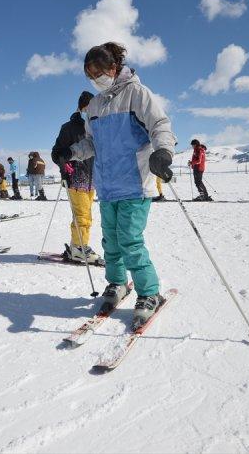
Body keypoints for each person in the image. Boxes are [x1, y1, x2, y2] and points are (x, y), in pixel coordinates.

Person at [67, 42, 176, 328]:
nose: (94, 78)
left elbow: (160, 125)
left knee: (130, 239)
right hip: (107, 186)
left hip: (134, 183)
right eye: (89, 74)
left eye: (98, 72)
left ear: (113, 68)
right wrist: (74, 152)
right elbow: (93, 142)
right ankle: (117, 283)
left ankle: (149, 292)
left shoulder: (137, 94)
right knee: (111, 241)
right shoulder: (95, 105)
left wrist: (163, 152)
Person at [52, 90, 100, 263]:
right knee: (81, 215)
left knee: (87, 215)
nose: (91, 111)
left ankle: (79, 245)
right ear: (81, 108)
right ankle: (79, 247)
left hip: (92, 178)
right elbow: (56, 153)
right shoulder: (68, 128)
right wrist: (63, 164)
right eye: (88, 108)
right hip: (75, 177)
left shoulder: (96, 126)